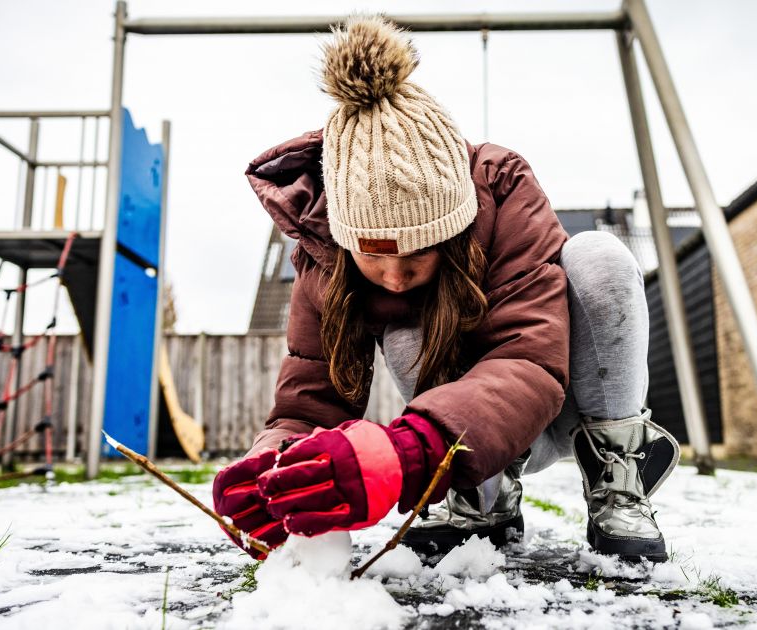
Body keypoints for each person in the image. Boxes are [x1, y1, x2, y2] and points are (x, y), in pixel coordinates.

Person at [213, 14, 680, 563]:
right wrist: (275, 463)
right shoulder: (326, 255)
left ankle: (617, 476)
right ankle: (483, 496)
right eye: (372, 254)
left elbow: (529, 358)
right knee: (408, 329)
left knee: (599, 258)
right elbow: (309, 400)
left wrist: (412, 452)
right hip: (473, 439)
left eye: (416, 251)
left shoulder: (504, 193)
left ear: (451, 226)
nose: (392, 275)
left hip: (564, 400)